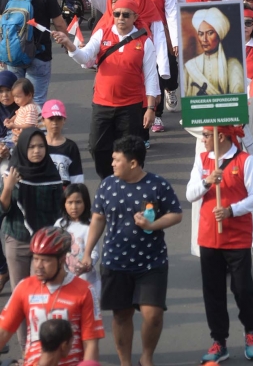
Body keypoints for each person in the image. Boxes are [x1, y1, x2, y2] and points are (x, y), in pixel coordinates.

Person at [82, 135, 182, 366]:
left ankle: (146, 357)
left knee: (153, 315)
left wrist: (152, 225)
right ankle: (125, 362)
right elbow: (98, 218)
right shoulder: (107, 184)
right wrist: (87, 252)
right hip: (115, 262)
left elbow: (176, 214)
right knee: (121, 315)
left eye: (117, 160)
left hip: (152, 262)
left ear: (133, 163)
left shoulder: (158, 185)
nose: (113, 164)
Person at [53, 0, 160, 179]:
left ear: (134, 17)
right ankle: (108, 179)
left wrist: (150, 108)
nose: (120, 18)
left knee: (128, 150)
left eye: (126, 15)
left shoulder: (144, 41)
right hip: (102, 104)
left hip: (130, 106)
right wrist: (69, 44)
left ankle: (127, 183)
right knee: (96, 147)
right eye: (117, 14)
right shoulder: (102, 34)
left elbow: (151, 77)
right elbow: (85, 57)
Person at [186, 124, 253, 364]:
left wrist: (232, 210)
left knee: (243, 289)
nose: (204, 139)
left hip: (238, 237)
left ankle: (250, 331)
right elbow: (190, 194)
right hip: (209, 237)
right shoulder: (202, 160)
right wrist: (207, 182)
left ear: (221, 136)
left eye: (207, 135)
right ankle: (219, 341)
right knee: (213, 292)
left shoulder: (245, 161)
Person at [0, 226, 104, 366]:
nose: (38, 266)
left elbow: (91, 344)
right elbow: (3, 332)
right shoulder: (24, 287)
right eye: (35, 259)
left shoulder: (85, 290)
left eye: (45, 260)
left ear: (62, 259)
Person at [0, 130, 64, 347]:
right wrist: (8, 187)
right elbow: (3, 210)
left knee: (43, 296)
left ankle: (44, 347)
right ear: (23, 148)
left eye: (40, 146)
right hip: (17, 240)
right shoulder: (11, 174)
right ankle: (27, 350)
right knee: (21, 298)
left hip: (45, 246)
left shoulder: (52, 174)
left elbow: (60, 214)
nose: (36, 151)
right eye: (31, 147)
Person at [0, 0, 67, 105]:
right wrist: (66, 42)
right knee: (36, 101)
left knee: (16, 100)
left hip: (13, 53)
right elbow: (59, 23)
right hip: (39, 54)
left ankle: (17, 128)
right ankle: (35, 129)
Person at [183, 7, 245, 98]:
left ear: (219, 35)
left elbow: (238, 99)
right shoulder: (190, 67)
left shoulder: (233, 66)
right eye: (201, 34)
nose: (204, 39)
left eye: (210, 33)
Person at [42, 99, 84, 186]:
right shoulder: (38, 145)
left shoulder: (71, 147)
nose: (55, 123)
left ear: (64, 120)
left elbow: (76, 176)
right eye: (51, 119)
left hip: (64, 193)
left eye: (59, 119)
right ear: (43, 120)